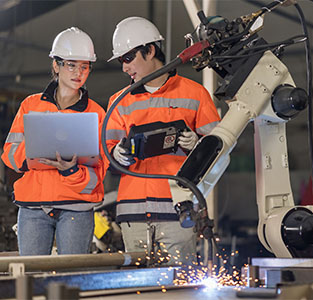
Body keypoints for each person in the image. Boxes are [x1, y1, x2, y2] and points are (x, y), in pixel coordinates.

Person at [105, 17, 220, 265]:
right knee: (138, 288)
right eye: (121, 61)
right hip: (132, 215)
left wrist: (197, 145)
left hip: (177, 211)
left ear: (150, 50)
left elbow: (219, 149)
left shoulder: (194, 94)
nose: (125, 68)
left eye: (128, 58)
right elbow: (106, 153)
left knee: (179, 286)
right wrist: (116, 155)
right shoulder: (119, 101)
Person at [1, 27, 107, 255]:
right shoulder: (30, 105)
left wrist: (71, 172)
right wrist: (34, 155)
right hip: (32, 208)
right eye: (71, 64)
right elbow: (9, 153)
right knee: (30, 280)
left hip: (76, 209)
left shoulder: (97, 114)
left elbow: (100, 172)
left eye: (84, 66)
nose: (79, 72)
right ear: (56, 66)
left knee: (72, 279)